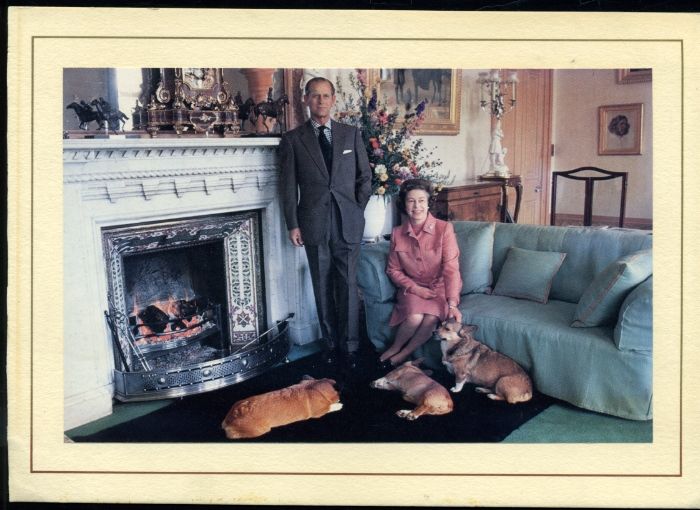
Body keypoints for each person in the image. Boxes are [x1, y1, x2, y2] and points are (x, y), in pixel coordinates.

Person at [279, 77, 372, 369]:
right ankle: (330, 345)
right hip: (313, 223)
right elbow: (287, 186)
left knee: (347, 284)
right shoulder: (293, 140)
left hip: (348, 222)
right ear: (306, 100)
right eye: (315, 96)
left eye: (326, 96)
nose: (321, 101)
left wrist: (356, 208)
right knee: (321, 286)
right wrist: (292, 224)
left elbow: (365, 177)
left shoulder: (350, 134)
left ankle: (351, 347)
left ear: (334, 99)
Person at [379, 179, 463, 367]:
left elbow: (451, 269)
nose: (417, 206)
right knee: (415, 316)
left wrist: (452, 303)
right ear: (404, 204)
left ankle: (404, 354)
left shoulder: (444, 229)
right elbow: (393, 269)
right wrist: (416, 289)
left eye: (421, 200)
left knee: (432, 317)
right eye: (411, 201)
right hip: (414, 287)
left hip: (441, 287)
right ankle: (395, 348)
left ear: (428, 203)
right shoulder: (397, 233)